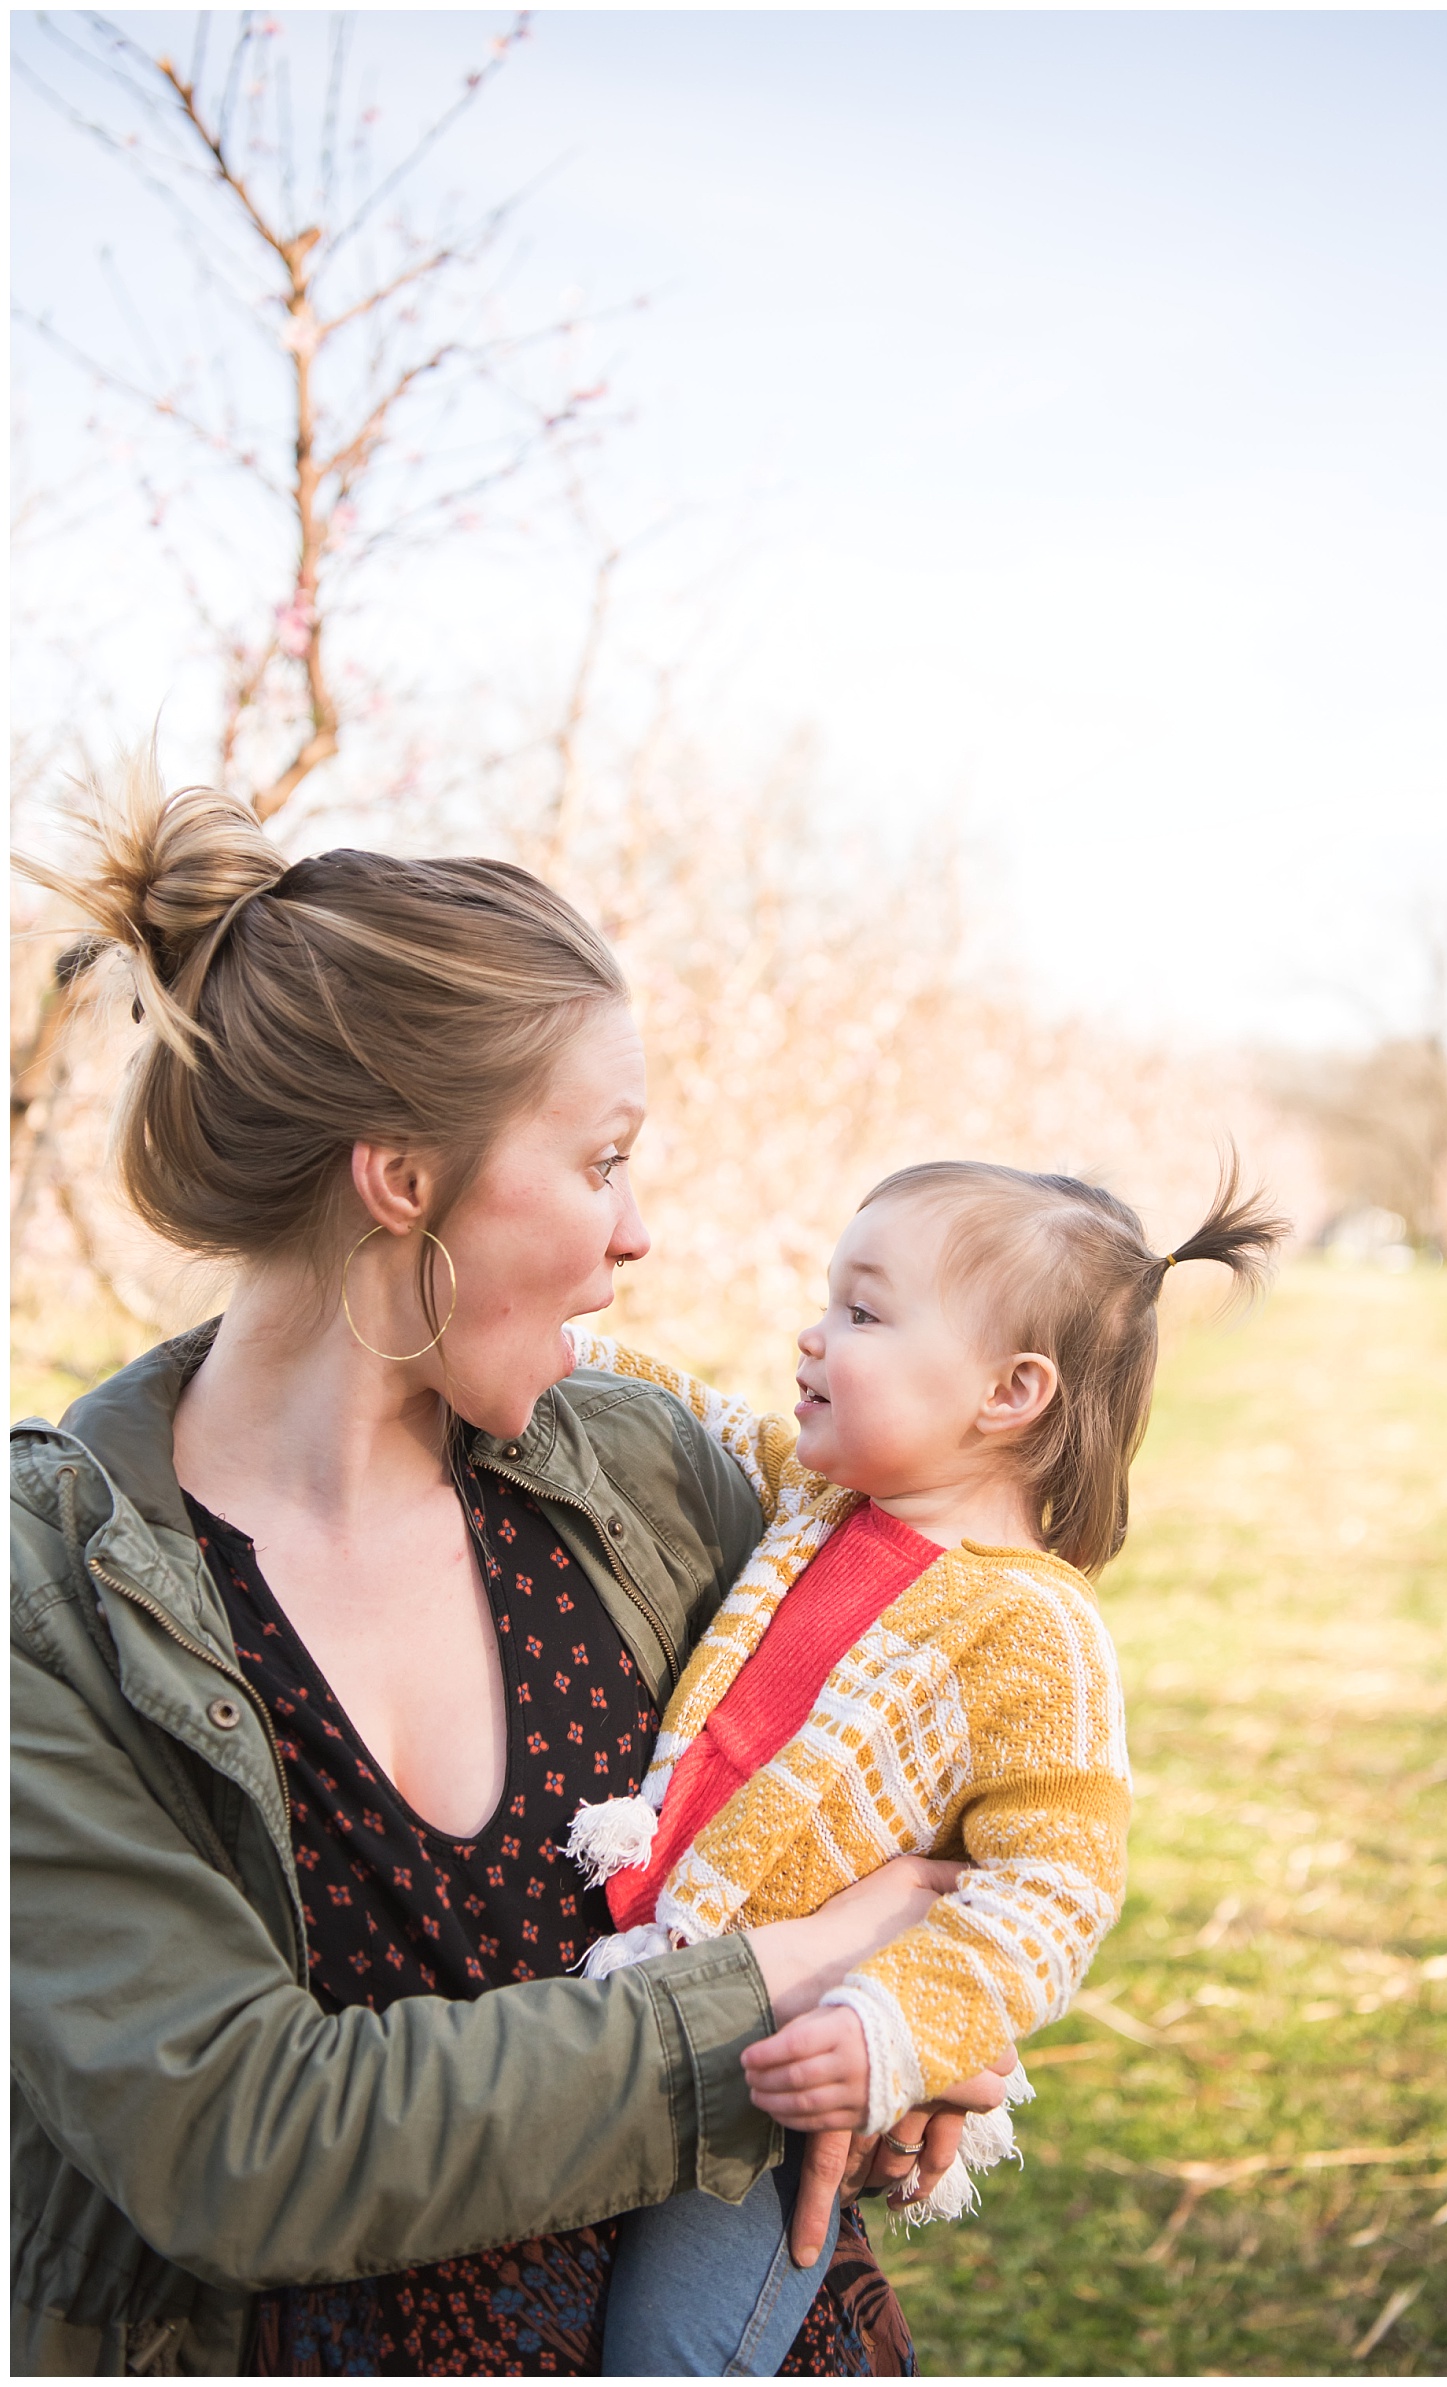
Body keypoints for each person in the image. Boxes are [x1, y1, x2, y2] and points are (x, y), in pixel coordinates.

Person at [11, 761, 1010, 2379]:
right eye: (602, 1158)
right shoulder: (49, 1607)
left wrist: (925, 2029)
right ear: (404, 1176)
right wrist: (797, 1967)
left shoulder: (648, 1479)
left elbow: (942, 1767)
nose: (639, 1235)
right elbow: (241, 2136)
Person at [565, 1156, 1289, 2376]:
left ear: (1010, 1391)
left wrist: (890, 2025)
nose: (810, 1333)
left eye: (861, 1312)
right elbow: (692, 1419)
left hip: (778, 2079)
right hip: (655, 1991)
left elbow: (1050, 1892)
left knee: (667, 2349)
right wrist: (563, 1350)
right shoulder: (817, 1501)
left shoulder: (1036, 1636)